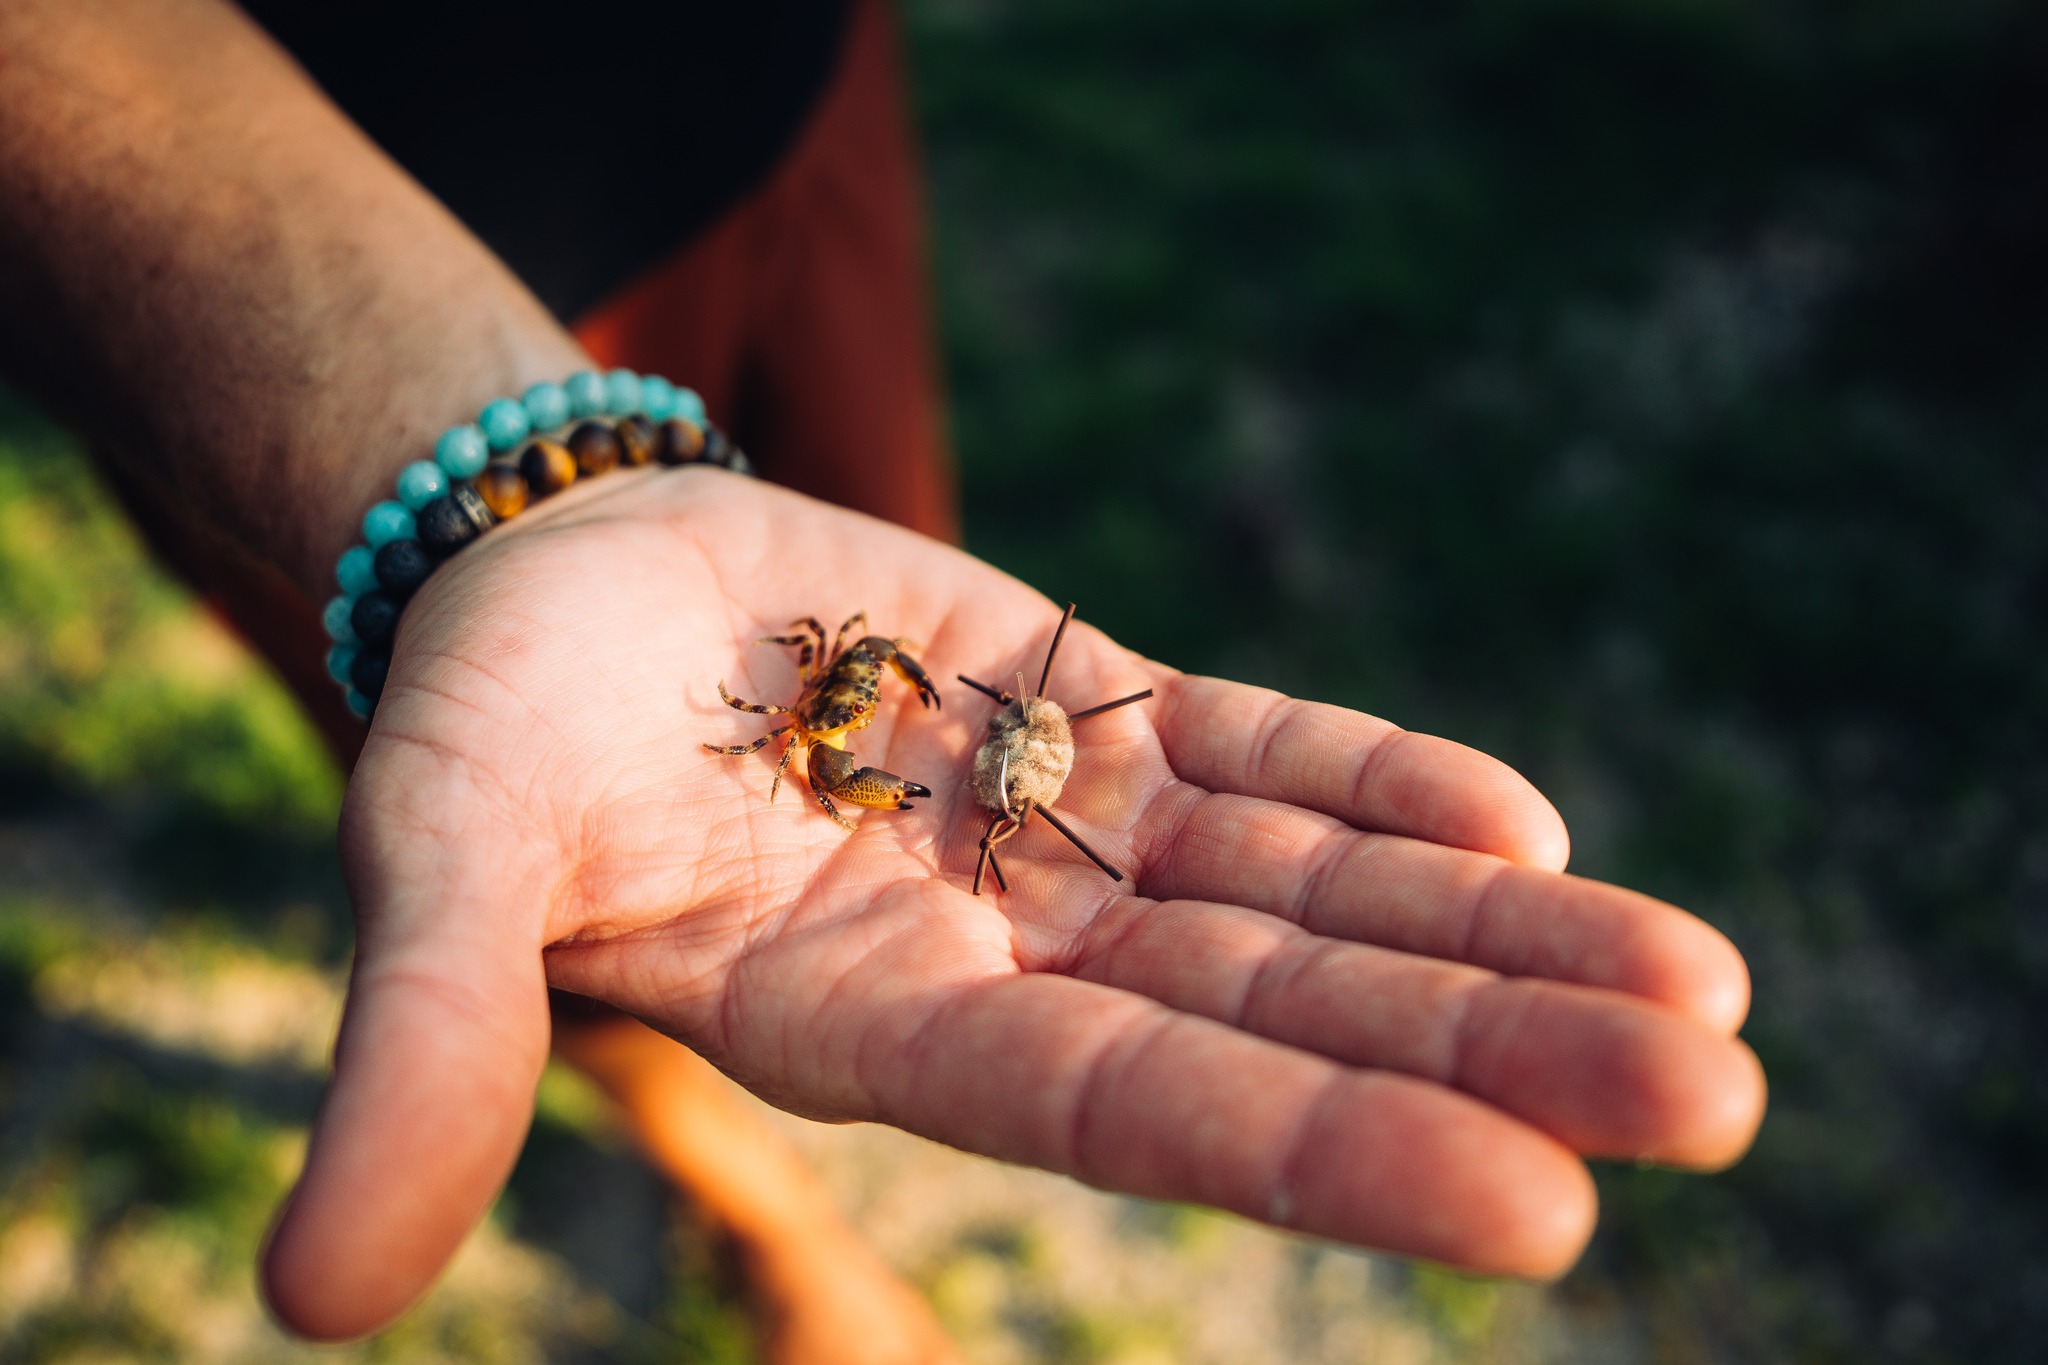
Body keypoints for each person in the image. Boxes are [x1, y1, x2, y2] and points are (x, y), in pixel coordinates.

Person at [0, 0, 1767, 1359]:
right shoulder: (856, 720)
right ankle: (759, 1205)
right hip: (321, 265)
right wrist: (495, 465)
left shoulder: (937, 700)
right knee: (613, 874)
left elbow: (949, 690)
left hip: (774, 78)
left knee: (886, 521)